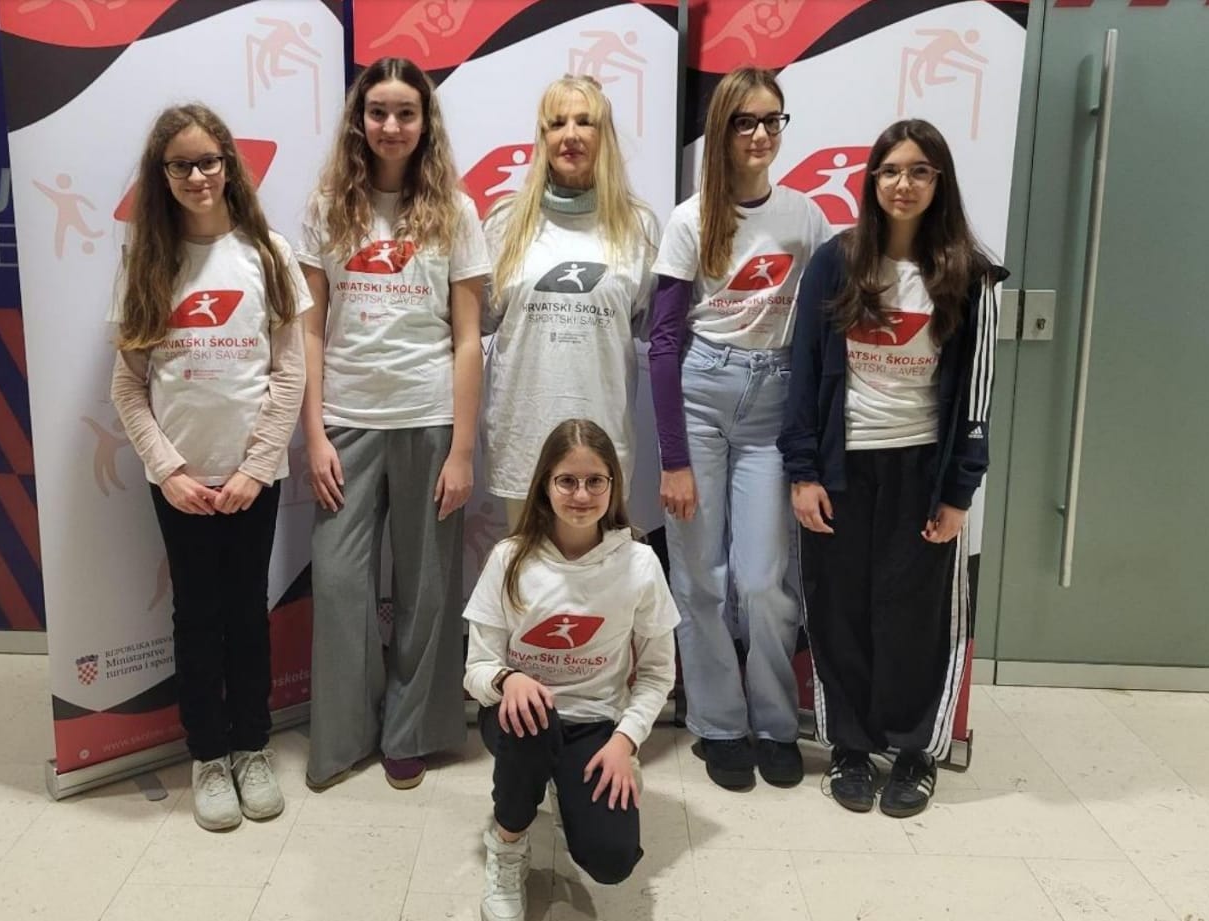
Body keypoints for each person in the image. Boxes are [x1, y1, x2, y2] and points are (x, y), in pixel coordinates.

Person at [781, 118, 1004, 818]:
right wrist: (803, 473)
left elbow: (976, 394)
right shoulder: (836, 261)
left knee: (915, 617)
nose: (903, 184)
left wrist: (959, 489)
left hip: (920, 473)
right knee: (840, 610)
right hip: (843, 471)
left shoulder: (969, 273)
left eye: (919, 171)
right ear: (871, 180)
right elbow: (803, 372)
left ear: (940, 182)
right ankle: (849, 746)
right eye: (890, 170)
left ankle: (914, 751)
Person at [108, 103, 307, 831]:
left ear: (228, 165)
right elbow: (128, 386)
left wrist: (256, 467)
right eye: (180, 165)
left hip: (253, 478)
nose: (197, 176)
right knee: (196, 617)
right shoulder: (146, 262)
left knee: (247, 613)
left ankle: (252, 745)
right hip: (181, 484)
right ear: (161, 175)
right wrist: (169, 471)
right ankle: (209, 755)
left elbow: (290, 372)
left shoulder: (269, 254)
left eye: (208, 161)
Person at [296, 57, 489, 793]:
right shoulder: (326, 208)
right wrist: (314, 434)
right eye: (378, 111)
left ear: (425, 122)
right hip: (345, 421)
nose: (391, 125)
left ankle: (410, 731)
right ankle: (345, 734)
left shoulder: (456, 212)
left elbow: (467, 337)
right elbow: (309, 331)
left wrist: (462, 449)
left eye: (406, 112)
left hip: (429, 418)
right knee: (339, 585)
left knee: (427, 590)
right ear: (360, 119)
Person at [647, 66, 831, 791]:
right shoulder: (690, 219)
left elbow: (822, 332)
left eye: (771, 120)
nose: (759, 135)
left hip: (773, 402)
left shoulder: (805, 218)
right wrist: (672, 458)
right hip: (701, 396)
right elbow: (664, 340)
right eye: (743, 121)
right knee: (700, 576)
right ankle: (720, 724)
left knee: (761, 580)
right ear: (720, 130)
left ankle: (776, 723)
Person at [462, 419, 678, 921]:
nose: (581, 495)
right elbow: (476, 669)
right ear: (545, 485)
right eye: (567, 481)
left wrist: (625, 742)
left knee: (612, 860)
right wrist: (508, 679)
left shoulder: (640, 563)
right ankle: (507, 845)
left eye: (595, 481)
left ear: (613, 486)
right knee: (533, 721)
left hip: (597, 724)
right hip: (518, 720)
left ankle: (566, 785)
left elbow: (656, 674)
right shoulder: (509, 559)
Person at [482, 75, 658, 529]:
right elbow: (472, 324)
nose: (571, 134)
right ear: (542, 137)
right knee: (526, 571)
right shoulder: (505, 223)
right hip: (524, 442)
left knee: (599, 573)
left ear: (605, 135)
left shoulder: (637, 226)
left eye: (585, 122)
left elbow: (654, 328)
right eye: (557, 123)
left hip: (601, 449)